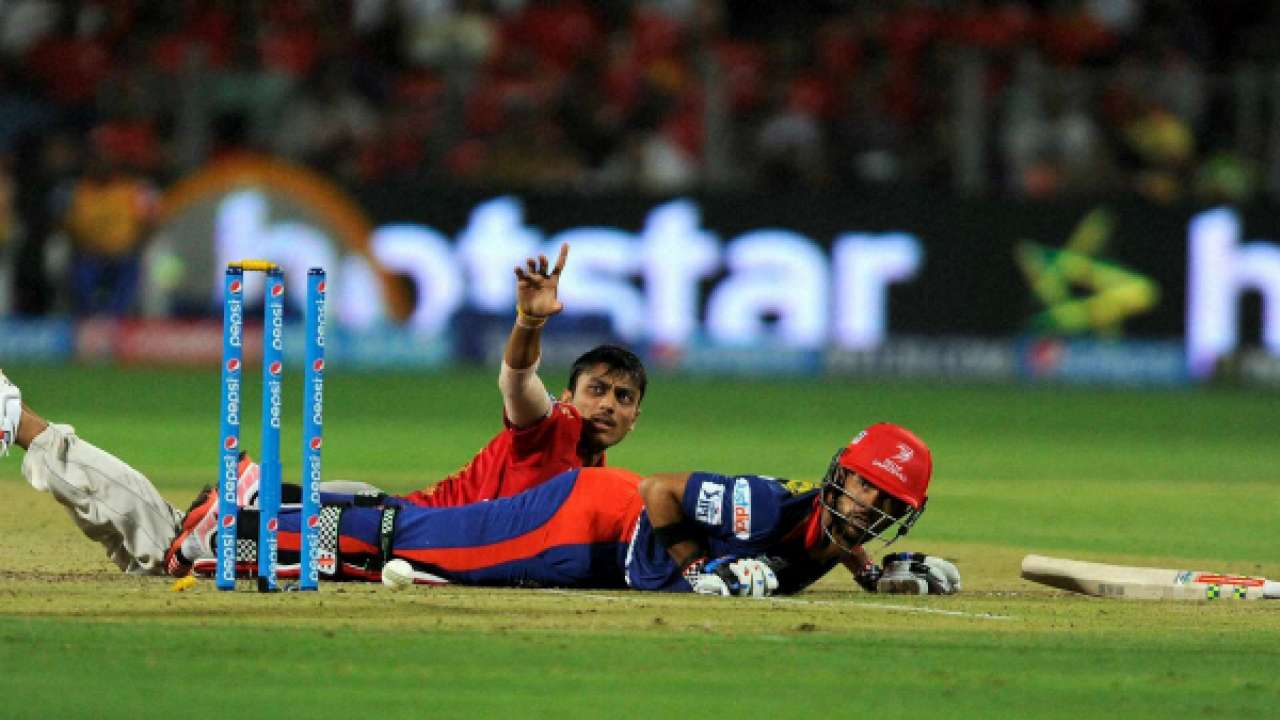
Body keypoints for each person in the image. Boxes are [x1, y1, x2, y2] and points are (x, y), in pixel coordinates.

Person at [0, 244, 650, 576]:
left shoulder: (597, 483)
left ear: (635, 419)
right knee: (178, 542)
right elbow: (518, 379)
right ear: (571, 397)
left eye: (623, 398)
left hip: (391, 532)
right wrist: (527, 323)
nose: (607, 405)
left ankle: (30, 430)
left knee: (168, 544)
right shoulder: (554, 429)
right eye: (597, 388)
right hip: (388, 526)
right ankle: (24, 425)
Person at [183, 422, 961, 597]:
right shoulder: (758, 504)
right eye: (863, 488)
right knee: (420, 544)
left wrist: (867, 572)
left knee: (420, 541)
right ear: (840, 476)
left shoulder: (830, 538)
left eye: (887, 504)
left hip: (598, 547)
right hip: (588, 523)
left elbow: (814, 543)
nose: (868, 507)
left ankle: (264, 497)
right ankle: (230, 531)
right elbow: (660, 488)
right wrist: (694, 570)